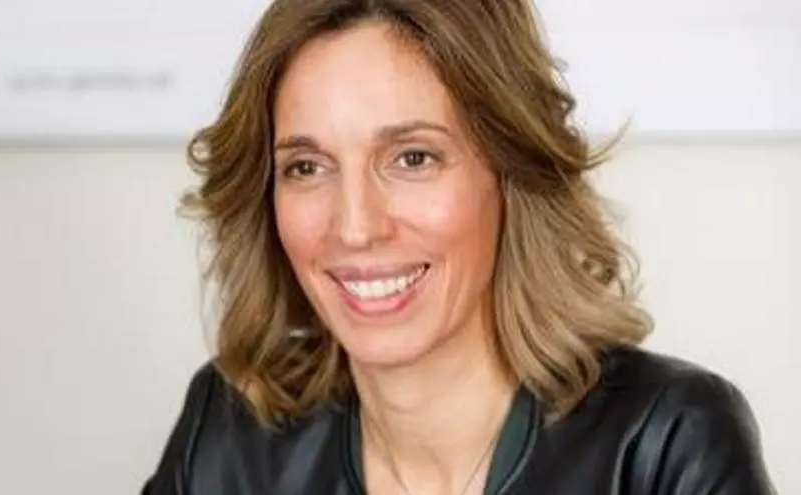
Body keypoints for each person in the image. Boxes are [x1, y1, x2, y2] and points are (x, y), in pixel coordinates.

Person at [142, 1, 774, 494]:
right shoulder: (229, 430)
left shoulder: (664, 445)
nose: (355, 227)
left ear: (509, 173)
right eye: (307, 167)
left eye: (413, 158)